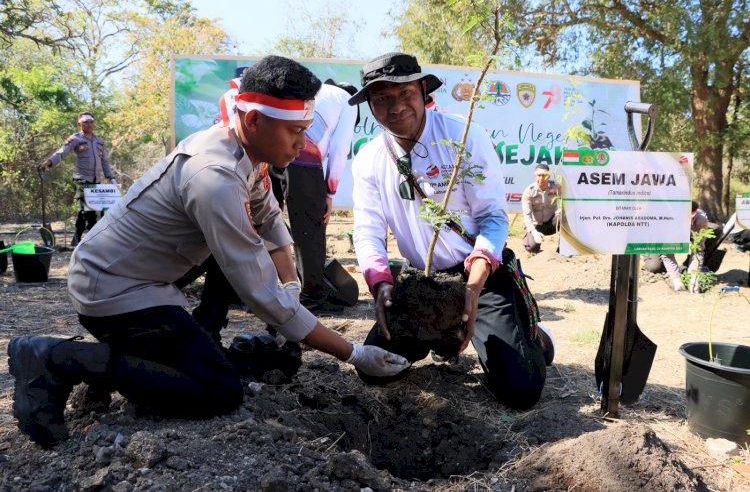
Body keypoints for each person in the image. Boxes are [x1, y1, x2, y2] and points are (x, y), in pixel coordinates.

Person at [7, 55, 409, 448]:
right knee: (215, 390)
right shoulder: (214, 176)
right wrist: (353, 352)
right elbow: (259, 292)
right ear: (254, 119)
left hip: (147, 274)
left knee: (232, 280)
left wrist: (290, 281)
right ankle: (56, 358)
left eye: (306, 129)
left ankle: (193, 343)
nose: (303, 144)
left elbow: (268, 219)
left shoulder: (244, 149)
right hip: (113, 292)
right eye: (295, 132)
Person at [347, 52, 553, 410]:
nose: (396, 107)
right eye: (382, 98)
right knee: (376, 369)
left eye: (405, 94)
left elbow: (493, 217)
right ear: (370, 105)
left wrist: (472, 289)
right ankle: (443, 337)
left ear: (422, 90)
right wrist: (380, 284)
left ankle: (531, 337)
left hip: (480, 273)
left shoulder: (463, 137)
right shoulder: (368, 159)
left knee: (521, 392)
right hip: (424, 282)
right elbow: (368, 233)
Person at [278, 79, 360, 310]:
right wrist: (329, 193)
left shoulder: (318, 92)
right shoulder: (349, 101)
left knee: (266, 221)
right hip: (301, 156)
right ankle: (313, 296)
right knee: (310, 229)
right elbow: (340, 149)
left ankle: (253, 287)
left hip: (270, 147)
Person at [40, 112, 116, 245]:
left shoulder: (99, 140)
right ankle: (95, 241)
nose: (89, 124)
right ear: (79, 124)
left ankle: (76, 238)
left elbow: (104, 161)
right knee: (90, 211)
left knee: (85, 210)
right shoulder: (75, 139)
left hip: (95, 179)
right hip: (82, 178)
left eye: (91, 122)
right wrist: (49, 162)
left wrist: (110, 177)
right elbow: (62, 152)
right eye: (85, 122)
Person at [642, 201, 714, 292]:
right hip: (656, 235)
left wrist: (693, 277)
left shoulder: (701, 220)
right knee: (655, 267)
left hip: (688, 229)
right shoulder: (668, 219)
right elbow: (668, 253)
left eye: (691, 219)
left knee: (716, 230)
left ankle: (687, 269)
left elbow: (698, 250)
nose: (689, 221)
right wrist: (676, 279)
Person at [521, 163, 560, 254]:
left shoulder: (556, 187)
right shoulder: (529, 191)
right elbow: (527, 216)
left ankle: (562, 249)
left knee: (564, 217)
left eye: (544, 175)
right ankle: (534, 245)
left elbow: (567, 200)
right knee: (531, 247)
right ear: (535, 176)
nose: (541, 178)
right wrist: (534, 232)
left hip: (552, 223)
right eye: (539, 175)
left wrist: (561, 210)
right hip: (536, 225)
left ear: (548, 176)